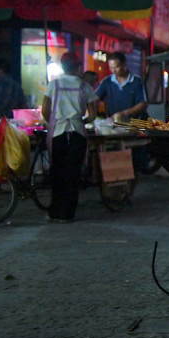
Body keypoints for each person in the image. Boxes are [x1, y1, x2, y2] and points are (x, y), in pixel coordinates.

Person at [40, 52, 97, 223]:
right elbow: (92, 115)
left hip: (58, 132)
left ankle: (54, 211)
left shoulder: (54, 85)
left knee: (57, 171)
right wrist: (81, 120)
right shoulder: (84, 86)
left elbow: (45, 110)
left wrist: (54, 120)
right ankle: (68, 213)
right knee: (73, 173)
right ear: (78, 67)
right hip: (77, 133)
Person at [95, 52, 147, 122]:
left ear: (124, 64)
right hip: (116, 123)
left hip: (135, 124)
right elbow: (95, 98)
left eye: (116, 67)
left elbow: (143, 104)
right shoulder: (107, 82)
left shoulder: (136, 81)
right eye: (111, 67)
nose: (113, 71)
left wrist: (124, 113)